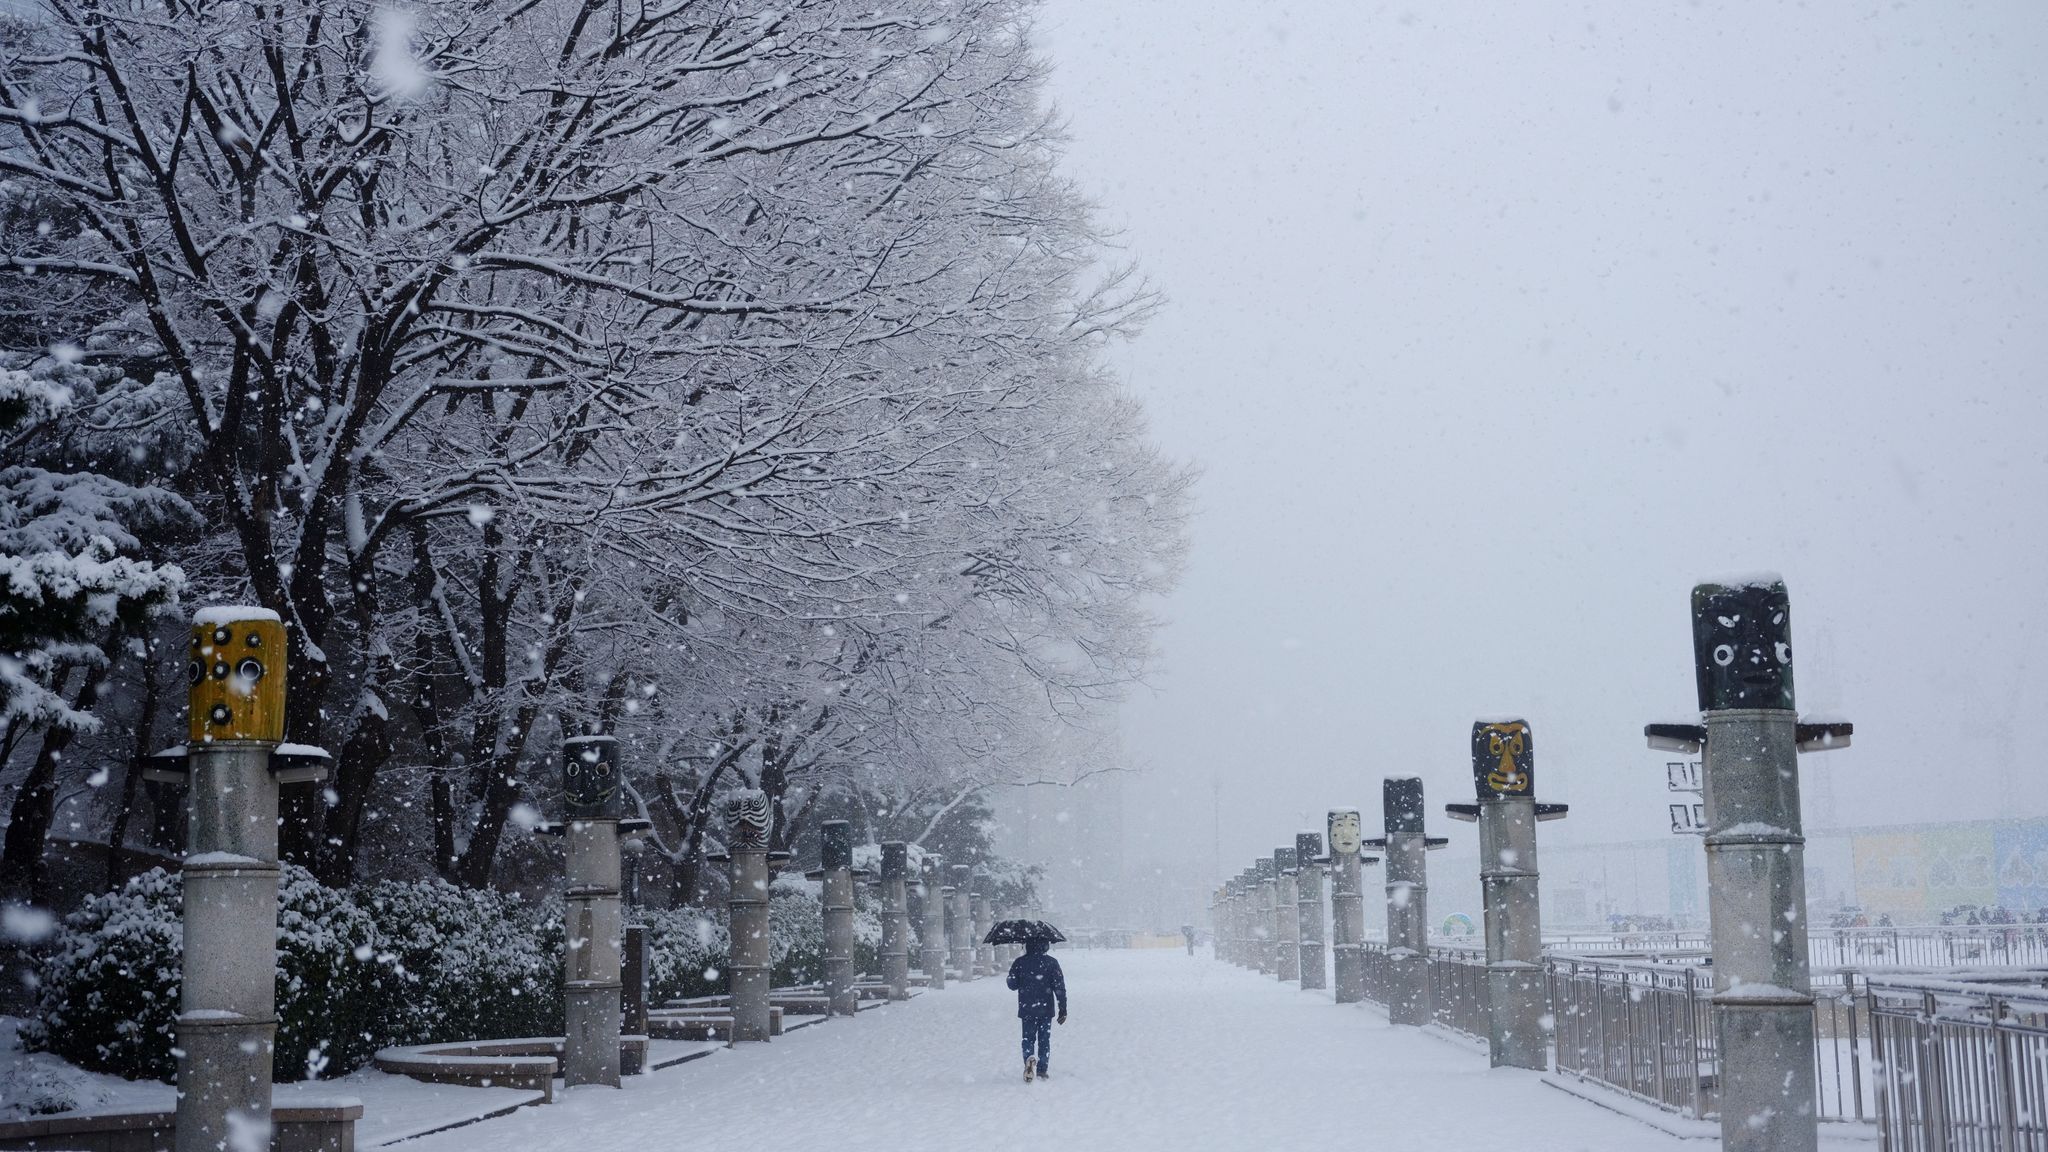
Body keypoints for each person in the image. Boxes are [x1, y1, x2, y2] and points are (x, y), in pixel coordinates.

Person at [1006, 939, 1067, 1082]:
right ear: (1045, 946)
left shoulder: (1020, 962)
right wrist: (1063, 1008)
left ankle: (1029, 1060)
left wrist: (1014, 977)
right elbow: (1059, 987)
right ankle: (1042, 1069)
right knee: (1044, 1040)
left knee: (1028, 1038)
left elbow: (1012, 984)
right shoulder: (1052, 962)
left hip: (1027, 1008)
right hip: (1046, 1009)